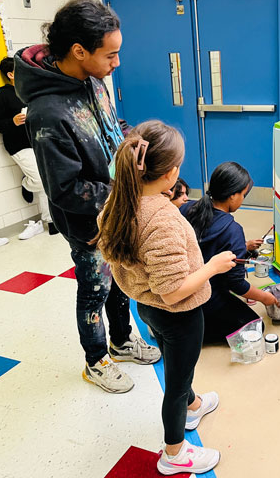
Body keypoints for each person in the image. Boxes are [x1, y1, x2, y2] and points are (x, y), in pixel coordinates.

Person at [14, 0, 160, 393]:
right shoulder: (47, 113)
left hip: (116, 209)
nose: (116, 63)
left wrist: (135, 142)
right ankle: (96, 360)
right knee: (95, 287)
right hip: (88, 224)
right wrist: (127, 191)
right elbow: (64, 189)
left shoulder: (93, 82)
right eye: (110, 55)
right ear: (79, 51)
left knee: (120, 278)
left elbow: (111, 126)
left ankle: (122, 339)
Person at [94, 121, 235, 475]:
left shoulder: (121, 201)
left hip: (148, 308)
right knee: (176, 381)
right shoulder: (159, 220)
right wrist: (214, 267)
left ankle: (194, 405)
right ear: (170, 173)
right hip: (178, 313)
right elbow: (172, 290)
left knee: (179, 367)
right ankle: (174, 453)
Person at [181, 162, 278, 343]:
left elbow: (206, 243)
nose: (243, 199)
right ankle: (191, 334)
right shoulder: (232, 231)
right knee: (255, 327)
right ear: (232, 195)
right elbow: (236, 285)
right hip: (206, 296)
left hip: (182, 288)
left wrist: (243, 246)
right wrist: (265, 297)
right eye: (242, 194)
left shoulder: (188, 208)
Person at [0, 57, 55, 239]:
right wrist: (12, 121)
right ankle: (27, 184)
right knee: (39, 180)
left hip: (38, 142)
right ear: (10, 74)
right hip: (18, 145)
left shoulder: (29, 92)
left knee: (46, 179)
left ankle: (51, 221)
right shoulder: (2, 96)